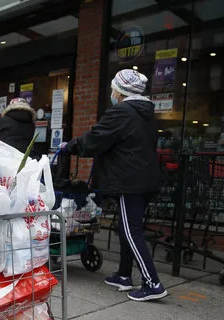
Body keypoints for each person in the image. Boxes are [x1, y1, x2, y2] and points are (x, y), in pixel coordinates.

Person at [60, 69, 166, 302]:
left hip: (130, 181)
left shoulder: (121, 112)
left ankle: (152, 283)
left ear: (121, 91)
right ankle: (124, 275)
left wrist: (70, 146)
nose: (111, 93)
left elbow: (95, 139)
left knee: (131, 230)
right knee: (126, 228)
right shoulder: (145, 114)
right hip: (144, 179)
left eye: (112, 89)